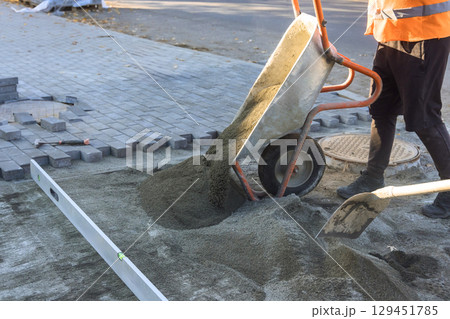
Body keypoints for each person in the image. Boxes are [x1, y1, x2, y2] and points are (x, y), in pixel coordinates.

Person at [337, 0, 450, 218]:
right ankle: (373, 176)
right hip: (390, 32)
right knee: (381, 108)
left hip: (422, 33)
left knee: (424, 117)